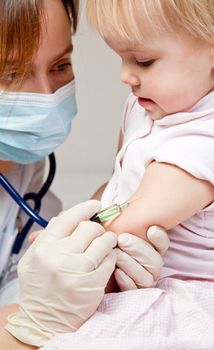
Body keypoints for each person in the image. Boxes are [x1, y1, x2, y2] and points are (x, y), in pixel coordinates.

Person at [30, 0, 214, 348]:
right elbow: (117, 187)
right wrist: (75, 220)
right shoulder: (152, 104)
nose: (125, 76)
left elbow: (123, 223)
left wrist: (58, 250)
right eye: (120, 57)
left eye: (143, 61)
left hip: (188, 298)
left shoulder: (210, 145)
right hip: (130, 276)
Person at [0, 0, 170, 347]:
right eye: (9, 74)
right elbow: (36, 310)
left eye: (60, 65)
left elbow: (24, 277)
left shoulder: (24, 166)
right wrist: (33, 325)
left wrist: (98, 280)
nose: (47, 96)